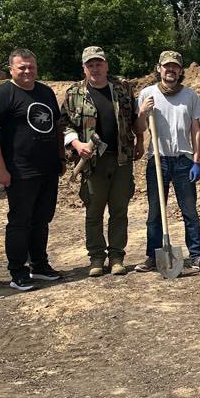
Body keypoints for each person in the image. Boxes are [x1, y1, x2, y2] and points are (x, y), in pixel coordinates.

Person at [0, 48, 65, 291]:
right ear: (11, 70)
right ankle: (18, 271)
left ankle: (39, 264)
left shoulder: (45, 92)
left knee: (42, 219)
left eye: (31, 67)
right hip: (19, 171)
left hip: (47, 168)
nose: (27, 71)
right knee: (20, 221)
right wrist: (0, 169)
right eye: (22, 67)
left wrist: (60, 157)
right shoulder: (1, 96)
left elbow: (56, 127)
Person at [60, 46, 141, 278]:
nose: (95, 68)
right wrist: (77, 144)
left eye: (99, 63)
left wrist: (141, 140)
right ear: (84, 68)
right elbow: (64, 124)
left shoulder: (123, 88)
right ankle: (96, 257)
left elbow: (134, 119)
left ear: (106, 65)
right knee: (94, 211)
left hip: (121, 159)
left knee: (119, 210)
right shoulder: (74, 93)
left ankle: (116, 257)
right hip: (92, 163)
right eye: (90, 65)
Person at [135, 51, 200, 274]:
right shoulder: (147, 94)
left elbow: (196, 129)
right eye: (167, 66)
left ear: (180, 70)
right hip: (158, 160)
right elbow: (139, 129)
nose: (171, 70)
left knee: (190, 212)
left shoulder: (190, 95)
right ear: (159, 68)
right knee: (155, 213)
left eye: (175, 67)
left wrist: (196, 160)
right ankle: (152, 256)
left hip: (183, 161)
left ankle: (196, 256)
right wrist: (142, 112)